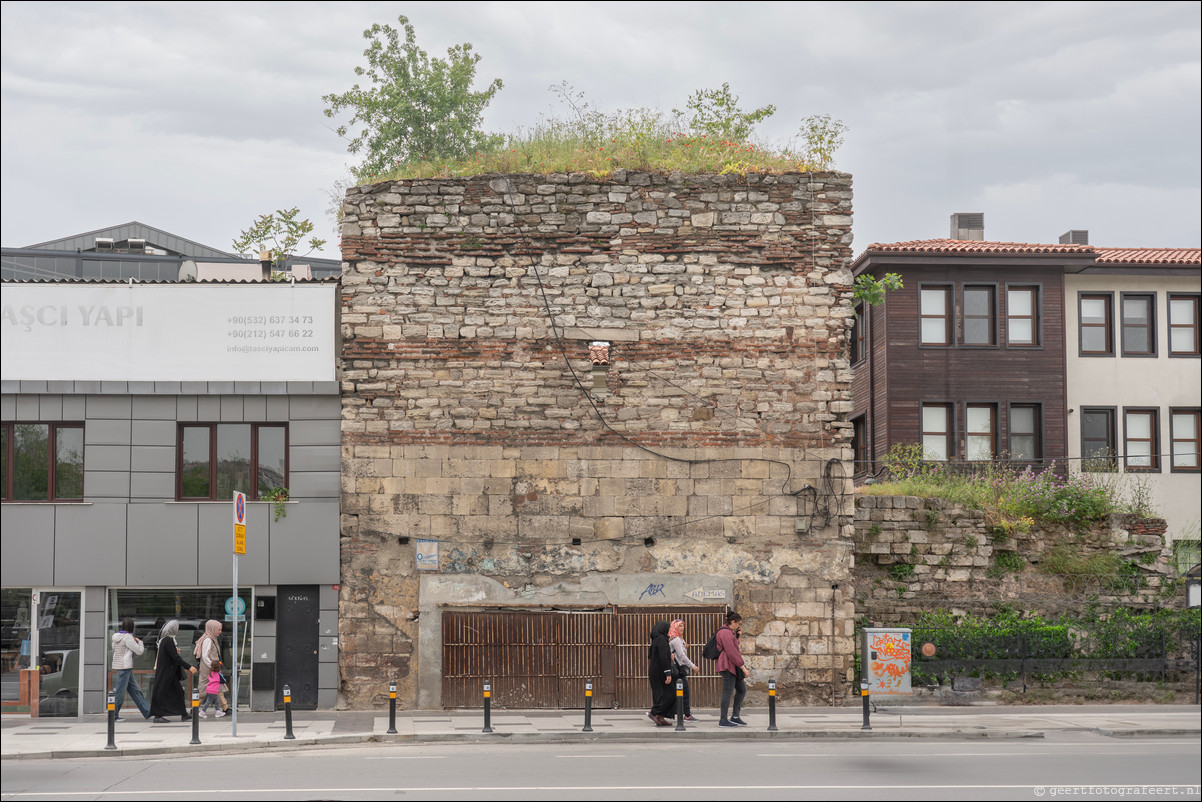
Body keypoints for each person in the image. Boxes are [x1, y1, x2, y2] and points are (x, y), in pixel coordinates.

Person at [149, 619, 196, 723]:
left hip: (168, 672)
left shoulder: (166, 640)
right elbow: (176, 658)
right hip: (167, 673)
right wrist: (189, 667)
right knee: (164, 693)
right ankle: (158, 715)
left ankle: (183, 713)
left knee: (178, 692)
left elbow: (171, 655)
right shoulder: (168, 640)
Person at [110, 617, 150, 721]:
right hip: (125, 667)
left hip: (120, 666)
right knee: (120, 692)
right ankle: (113, 715)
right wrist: (139, 642)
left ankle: (147, 712)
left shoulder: (116, 637)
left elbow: (114, 648)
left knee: (135, 691)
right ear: (132, 627)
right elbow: (139, 651)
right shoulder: (128, 638)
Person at [716, 610, 750, 728]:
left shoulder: (730, 632)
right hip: (727, 665)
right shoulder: (725, 633)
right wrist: (743, 667)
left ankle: (735, 717)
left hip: (733, 666)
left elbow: (734, 646)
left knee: (741, 689)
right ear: (732, 622)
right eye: (737, 623)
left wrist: (738, 635)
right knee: (727, 692)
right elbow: (732, 652)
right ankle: (723, 719)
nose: (738, 626)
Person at [193, 620, 229, 718]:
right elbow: (205, 656)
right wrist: (213, 667)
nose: (220, 632)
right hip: (209, 669)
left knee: (217, 688)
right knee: (204, 690)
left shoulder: (211, 638)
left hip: (212, 668)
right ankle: (195, 708)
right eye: (218, 630)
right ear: (212, 629)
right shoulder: (208, 639)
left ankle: (225, 708)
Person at [668, 619, 699, 722]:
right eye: (679, 626)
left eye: (683, 626)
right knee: (684, 691)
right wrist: (693, 666)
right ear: (674, 627)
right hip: (677, 671)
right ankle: (687, 714)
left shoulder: (679, 639)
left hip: (678, 670)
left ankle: (673, 712)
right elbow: (681, 656)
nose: (682, 628)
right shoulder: (676, 640)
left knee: (676, 692)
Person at [646, 620, 674, 726]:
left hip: (656, 671)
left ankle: (660, 717)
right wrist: (668, 673)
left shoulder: (657, 639)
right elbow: (663, 658)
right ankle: (654, 712)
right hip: (660, 672)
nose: (669, 630)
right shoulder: (661, 640)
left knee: (660, 694)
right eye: (668, 628)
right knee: (670, 693)